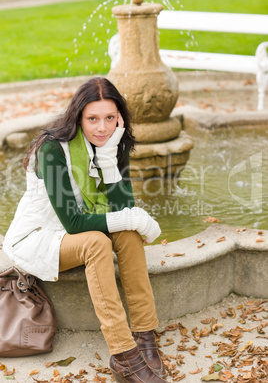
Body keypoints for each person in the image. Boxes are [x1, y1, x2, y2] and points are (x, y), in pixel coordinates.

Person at [3, 77, 167, 382]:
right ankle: (124, 355)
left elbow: (123, 208)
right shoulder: (52, 149)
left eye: (109, 118)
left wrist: (107, 160)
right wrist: (133, 219)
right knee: (97, 242)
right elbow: (74, 223)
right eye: (92, 119)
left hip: (76, 233)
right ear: (78, 116)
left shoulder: (112, 144)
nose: (101, 128)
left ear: (119, 118)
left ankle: (145, 337)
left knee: (128, 233)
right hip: (38, 238)